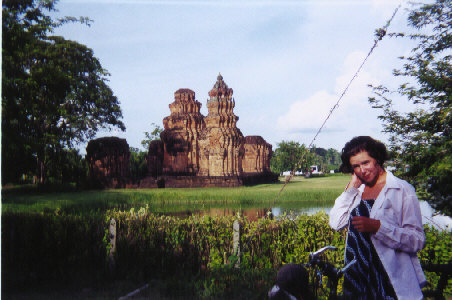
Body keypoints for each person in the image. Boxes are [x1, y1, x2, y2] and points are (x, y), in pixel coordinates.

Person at [329, 136, 426, 300]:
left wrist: (378, 228)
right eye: (355, 166)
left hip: (390, 279)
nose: (362, 170)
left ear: (378, 159)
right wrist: (352, 187)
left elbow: (417, 240)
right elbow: (336, 222)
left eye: (365, 162)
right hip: (358, 276)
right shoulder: (357, 191)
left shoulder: (401, 190)